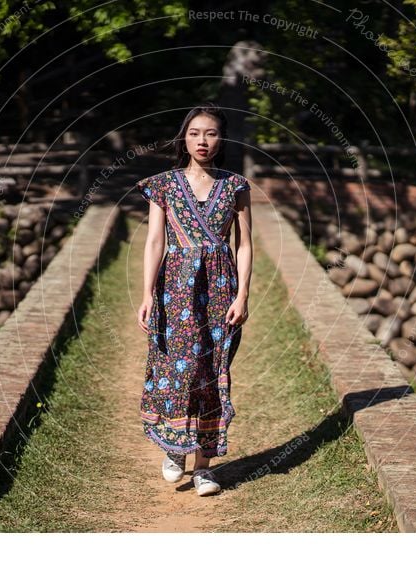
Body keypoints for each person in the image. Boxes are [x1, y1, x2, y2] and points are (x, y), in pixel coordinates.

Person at [135, 102, 253, 497]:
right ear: (184, 138)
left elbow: (245, 246)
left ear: (221, 140)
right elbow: (154, 242)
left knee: (212, 371)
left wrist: (243, 295)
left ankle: (204, 467)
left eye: (211, 133)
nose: (203, 140)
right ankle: (174, 448)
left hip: (220, 287)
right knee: (175, 368)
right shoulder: (163, 185)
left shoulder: (236, 186)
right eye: (195, 133)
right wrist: (148, 293)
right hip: (176, 287)